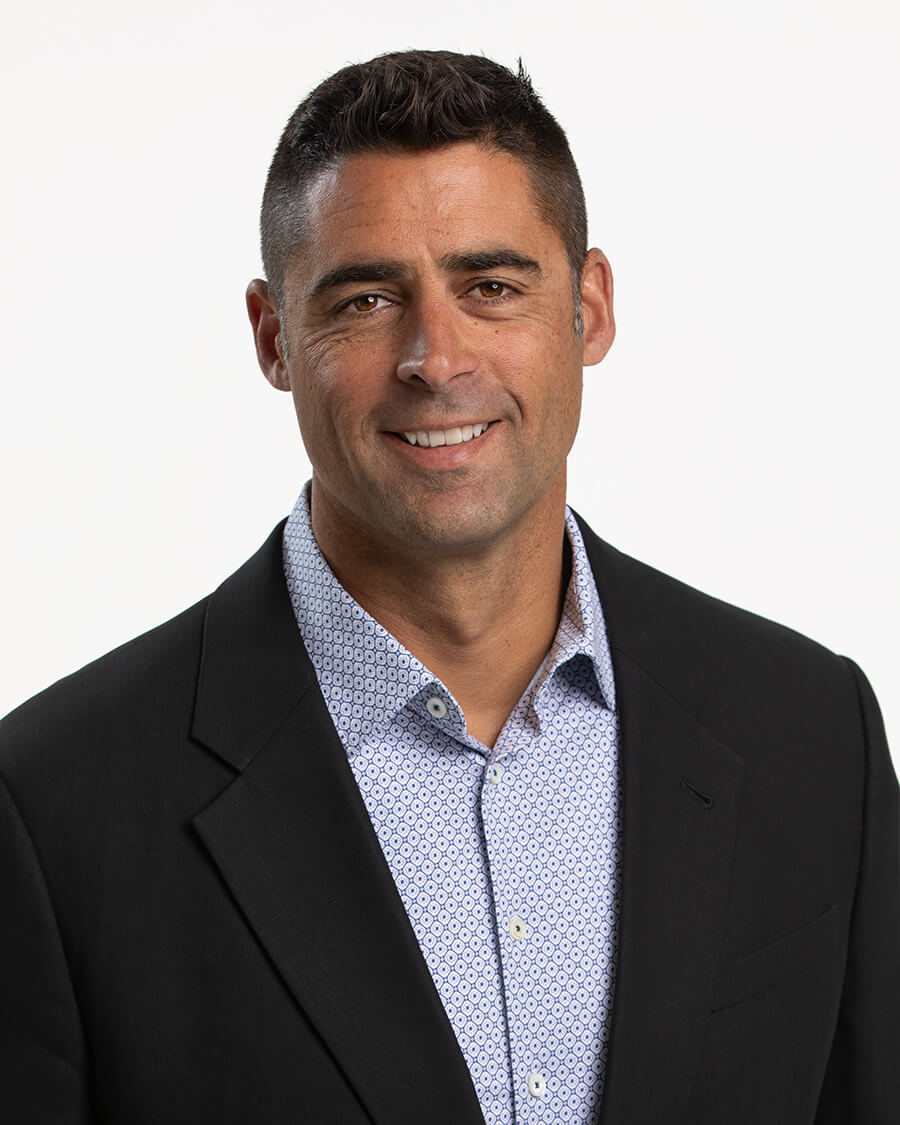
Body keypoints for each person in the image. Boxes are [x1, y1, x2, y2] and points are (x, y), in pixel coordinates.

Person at [1, 49, 897, 1125]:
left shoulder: (813, 734)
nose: (436, 357)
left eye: (492, 287)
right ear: (274, 338)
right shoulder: (53, 811)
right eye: (367, 298)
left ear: (591, 307)